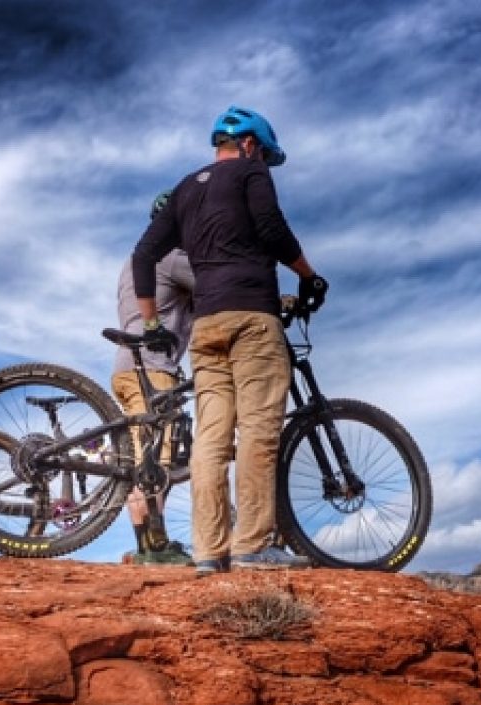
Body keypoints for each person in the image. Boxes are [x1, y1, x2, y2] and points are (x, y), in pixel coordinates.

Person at [131, 105, 328, 575]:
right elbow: (272, 229)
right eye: (264, 155)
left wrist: (151, 323)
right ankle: (252, 546)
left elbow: (143, 255)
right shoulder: (250, 172)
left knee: (212, 438)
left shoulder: (184, 188)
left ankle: (208, 551)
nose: (263, 163)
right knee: (258, 429)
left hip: (207, 328)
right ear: (251, 144)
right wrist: (309, 276)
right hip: (252, 320)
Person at [114, 191, 196, 566]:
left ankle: (148, 545)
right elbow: (217, 288)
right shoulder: (173, 257)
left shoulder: (131, 263)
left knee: (143, 460)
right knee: (157, 461)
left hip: (126, 368)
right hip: (152, 368)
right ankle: (155, 548)